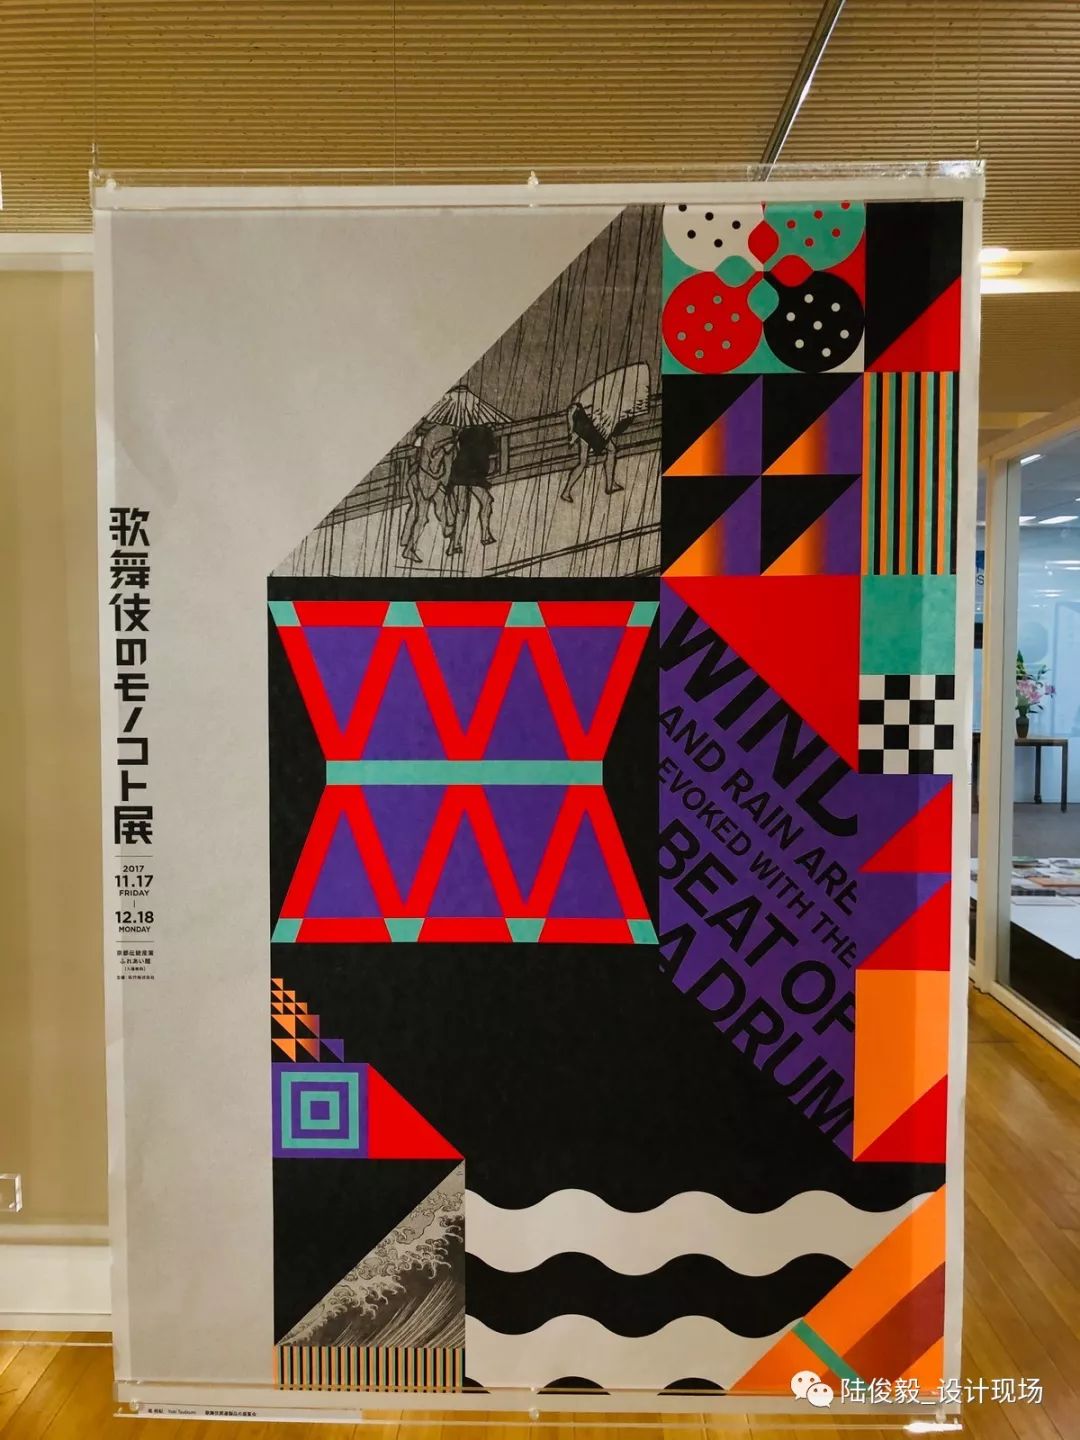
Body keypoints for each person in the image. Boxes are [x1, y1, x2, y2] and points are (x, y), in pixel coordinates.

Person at [560, 362, 652, 503]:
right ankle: (603, 486)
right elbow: (573, 411)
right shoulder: (586, 400)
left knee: (587, 460)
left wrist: (572, 432)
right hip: (589, 428)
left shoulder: (585, 400)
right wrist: (572, 432)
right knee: (604, 453)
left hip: (587, 427)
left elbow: (572, 411)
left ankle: (604, 485)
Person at [401, 417, 456, 564]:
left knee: (440, 507)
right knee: (422, 517)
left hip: (431, 480)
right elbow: (427, 468)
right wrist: (438, 476)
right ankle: (409, 548)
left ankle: (448, 531)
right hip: (424, 481)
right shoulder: (434, 440)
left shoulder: (439, 440)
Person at [446, 421, 499, 554]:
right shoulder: (486, 432)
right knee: (484, 502)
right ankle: (483, 536)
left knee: (463, 509)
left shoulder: (463, 431)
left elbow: (457, 449)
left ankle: (456, 544)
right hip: (471, 474)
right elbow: (492, 456)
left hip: (462, 472)